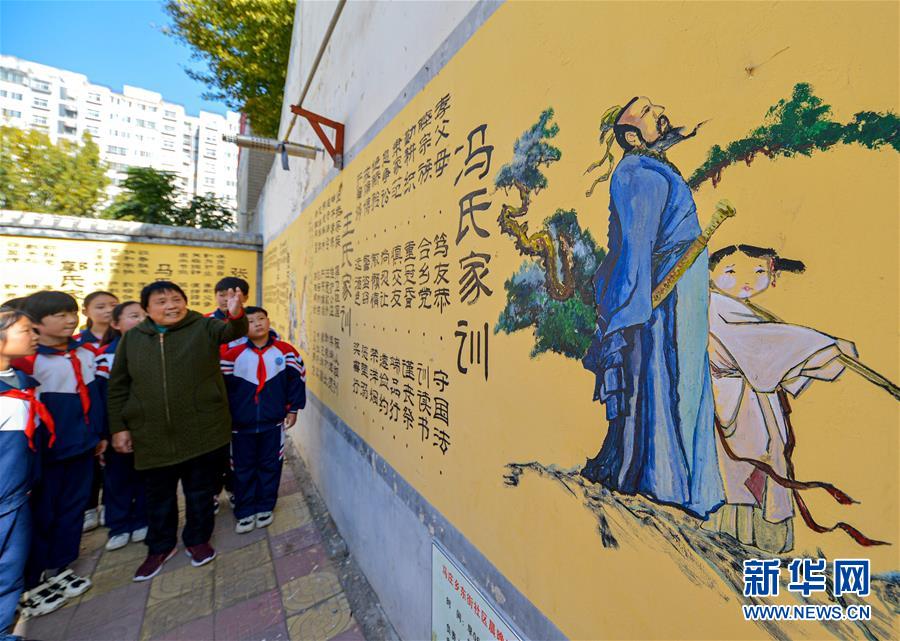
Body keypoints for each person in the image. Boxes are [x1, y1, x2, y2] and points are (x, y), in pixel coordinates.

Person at [580, 96, 725, 518]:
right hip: (665, 296)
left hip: (684, 288)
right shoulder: (636, 173)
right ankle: (663, 482)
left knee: (688, 380)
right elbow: (636, 248)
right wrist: (629, 310)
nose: (659, 110)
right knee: (668, 379)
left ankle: (685, 487)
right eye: (645, 111)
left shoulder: (654, 165)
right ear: (630, 134)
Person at [704, 244, 884, 552]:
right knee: (748, 463)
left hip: (755, 398)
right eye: (731, 272)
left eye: (758, 272)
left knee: (770, 453)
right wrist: (825, 347)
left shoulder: (741, 309)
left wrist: (813, 353)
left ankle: (761, 538)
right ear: (712, 274)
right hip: (734, 400)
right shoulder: (716, 307)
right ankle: (743, 538)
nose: (745, 280)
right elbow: (764, 346)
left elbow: (771, 351)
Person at [107, 281, 248, 581]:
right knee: (159, 495)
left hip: (202, 428)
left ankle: (197, 540)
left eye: (176, 299)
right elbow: (118, 386)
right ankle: (160, 546)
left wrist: (236, 315)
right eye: (161, 301)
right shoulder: (133, 339)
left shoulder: (203, 327)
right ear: (146, 309)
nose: (171, 306)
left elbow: (232, 332)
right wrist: (119, 428)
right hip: (151, 433)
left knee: (200, 491)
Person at [13, 292, 104, 611]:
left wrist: (99, 434)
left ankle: (60, 567)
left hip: (82, 447)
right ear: (35, 323)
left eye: (73, 312)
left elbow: (94, 395)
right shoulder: (26, 360)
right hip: (47, 454)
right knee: (41, 514)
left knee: (72, 508)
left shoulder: (85, 352)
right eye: (59, 314)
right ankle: (30, 580)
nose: (70, 319)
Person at [220, 307, 305, 534]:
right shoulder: (230, 356)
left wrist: (293, 409)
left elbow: (297, 381)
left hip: (273, 423)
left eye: (261, 319)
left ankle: (266, 505)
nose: (257, 324)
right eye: (250, 321)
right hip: (239, 426)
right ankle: (245, 510)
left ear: (268, 321)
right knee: (242, 468)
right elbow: (221, 390)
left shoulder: (286, 352)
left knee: (270, 464)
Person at [0, 307, 56, 632]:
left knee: (10, 572)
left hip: (17, 496)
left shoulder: (24, 383)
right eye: (26, 331)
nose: (35, 338)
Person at [95, 302, 148, 551]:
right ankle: (118, 525)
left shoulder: (154, 349)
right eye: (134, 316)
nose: (142, 320)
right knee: (117, 479)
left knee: (146, 476)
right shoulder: (106, 356)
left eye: (144, 316)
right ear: (115, 324)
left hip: (148, 428)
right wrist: (112, 430)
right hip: (117, 429)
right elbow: (104, 397)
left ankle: (141, 518)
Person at [207, 277, 250, 512]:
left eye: (233, 294)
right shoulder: (202, 324)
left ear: (244, 298)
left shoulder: (250, 323)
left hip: (241, 395)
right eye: (221, 294)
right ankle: (212, 493)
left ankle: (234, 489)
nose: (226, 299)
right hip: (211, 396)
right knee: (213, 449)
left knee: (238, 449)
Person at [78, 291, 119, 533]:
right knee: (90, 462)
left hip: (113, 407)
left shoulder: (125, 340)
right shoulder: (78, 344)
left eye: (112, 306)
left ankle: (109, 505)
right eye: (100, 306)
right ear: (86, 312)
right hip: (87, 409)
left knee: (114, 460)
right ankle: (89, 507)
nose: (107, 310)